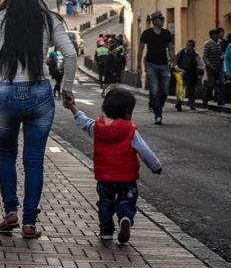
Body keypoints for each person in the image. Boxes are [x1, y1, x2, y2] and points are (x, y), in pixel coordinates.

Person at [0, 0, 77, 239]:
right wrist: (66, 88)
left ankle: (11, 211)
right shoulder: (48, 20)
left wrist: (1, 66)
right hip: (39, 92)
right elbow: (70, 53)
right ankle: (30, 222)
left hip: (6, 93)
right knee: (34, 161)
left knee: (6, 155)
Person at [67, 87, 162, 244]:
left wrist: (72, 106)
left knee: (105, 203)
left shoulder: (98, 128)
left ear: (105, 108)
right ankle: (124, 218)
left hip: (104, 178)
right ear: (127, 113)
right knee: (126, 201)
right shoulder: (130, 130)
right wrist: (155, 166)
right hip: (127, 178)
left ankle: (106, 232)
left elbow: (83, 122)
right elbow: (144, 151)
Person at [137, 11, 175, 124]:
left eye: (163, 19)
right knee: (154, 90)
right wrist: (139, 66)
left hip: (164, 65)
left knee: (165, 91)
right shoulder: (146, 33)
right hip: (151, 64)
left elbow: (171, 49)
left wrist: (175, 63)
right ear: (154, 21)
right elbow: (140, 50)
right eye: (160, 19)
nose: (162, 21)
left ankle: (157, 107)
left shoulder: (166, 33)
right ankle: (158, 115)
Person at [174, 40, 204, 111]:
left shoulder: (195, 54)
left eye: (190, 46)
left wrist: (200, 73)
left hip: (191, 74)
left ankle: (191, 104)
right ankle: (179, 103)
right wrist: (175, 68)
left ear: (193, 47)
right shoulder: (181, 52)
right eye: (187, 45)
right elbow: (175, 59)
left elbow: (200, 64)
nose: (188, 47)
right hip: (181, 73)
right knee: (180, 89)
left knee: (191, 90)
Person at [202, 28, 226, 111]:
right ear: (211, 36)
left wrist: (223, 56)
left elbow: (222, 52)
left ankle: (220, 100)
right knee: (211, 85)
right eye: (215, 35)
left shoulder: (220, 43)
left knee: (222, 83)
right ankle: (205, 99)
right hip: (210, 68)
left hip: (219, 66)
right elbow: (204, 57)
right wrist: (210, 65)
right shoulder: (207, 44)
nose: (216, 36)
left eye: (217, 34)